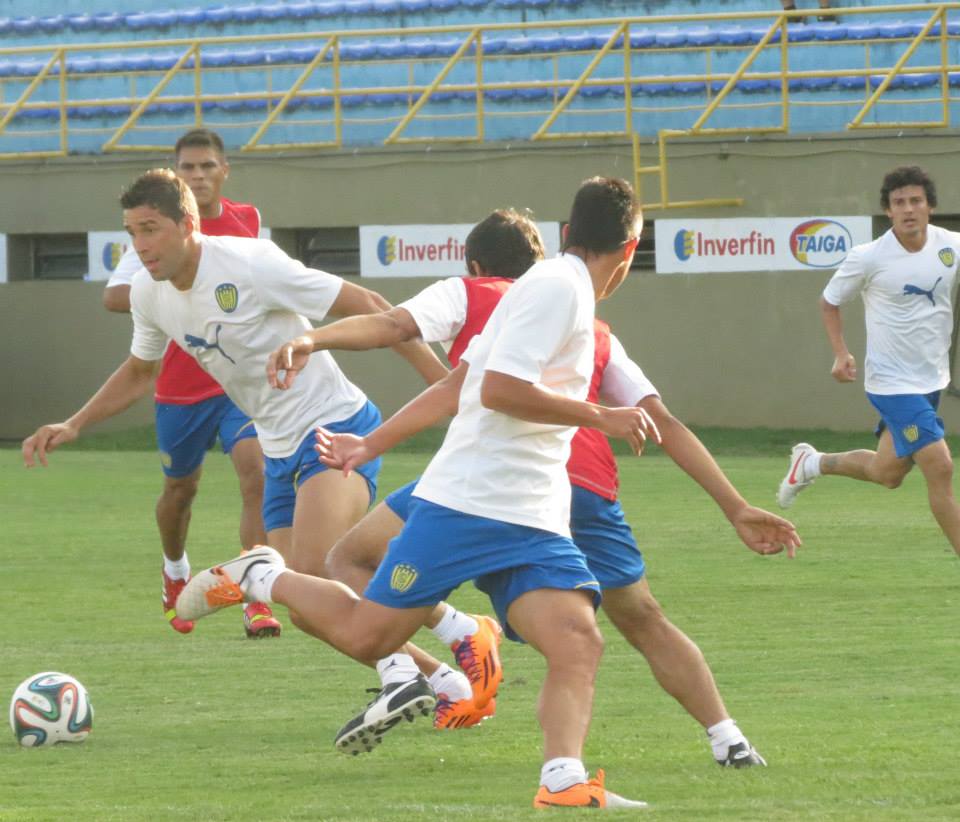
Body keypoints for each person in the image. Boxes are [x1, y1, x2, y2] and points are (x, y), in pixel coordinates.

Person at [177, 178, 797, 809]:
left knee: (578, 641)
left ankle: (562, 780)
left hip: (534, 510)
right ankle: (264, 575)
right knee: (368, 636)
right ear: (632, 247)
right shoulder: (556, 289)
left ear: (567, 233)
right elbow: (497, 389)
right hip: (470, 502)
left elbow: (460, 383)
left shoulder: (550, 291)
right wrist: (599, 416)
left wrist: (371, 443)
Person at [22, 169, 447, 691]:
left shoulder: (250, 264)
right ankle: (445, 673)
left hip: (333, 426)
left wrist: (446, 387)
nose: (140, 246)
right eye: (132, 232)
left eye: (151, 229)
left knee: (314, 572)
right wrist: (75, 422)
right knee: (306, 607)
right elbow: (139, 370)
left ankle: (436, 660)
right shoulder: (148, 293)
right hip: (277, 447)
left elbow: (374, 308)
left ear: (187, 224)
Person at [102, 128, 278, 639]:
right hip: (181, 387)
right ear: (175, 175)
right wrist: (175, 290)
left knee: (256, 474)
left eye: (206, 166)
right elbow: (114, 295)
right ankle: (175, 569)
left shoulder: (248, 220)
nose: (198, 175)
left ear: (224, 170)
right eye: (188, 167)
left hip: (236, 383)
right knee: (180, 490)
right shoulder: (155, 231)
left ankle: (257, 595)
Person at [777, 165, 960, 559]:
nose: (908, 209)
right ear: (888, 210)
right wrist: (841, 353)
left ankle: (812, 463)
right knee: (940, 465)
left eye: (915, 201)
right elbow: (829, 302)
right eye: (899, 202)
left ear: (930, 206)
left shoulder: (951, 246)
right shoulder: (869, 257)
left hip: (931, 380)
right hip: (891, 383)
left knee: (888, 473)